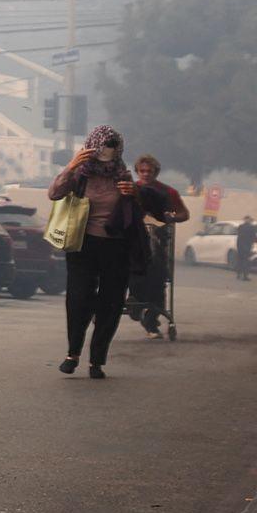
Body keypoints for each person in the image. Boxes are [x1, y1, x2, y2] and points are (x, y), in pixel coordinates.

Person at [47, 126, 174, 379]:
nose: (108, 152)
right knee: (79, 297)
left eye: (113, 148)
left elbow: (139, 209)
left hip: (116, 246)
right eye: (104, 146)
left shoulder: (122, 174)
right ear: (93, 146)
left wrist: (133, 194)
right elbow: (54, 193)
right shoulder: (80, 174)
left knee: (112, 303)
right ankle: (72, 354)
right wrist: (71, 165)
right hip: (82, 243)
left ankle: (97, 360)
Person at [127, 155, 188, 335]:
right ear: (137, 171)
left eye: (149, 171)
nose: (145, 174)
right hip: (134, 242)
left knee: (158, 275)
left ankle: (150, 316)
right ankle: (137, 303)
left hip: (158, 240)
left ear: (156, 172)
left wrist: (172, 217)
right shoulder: (130, 189)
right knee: (136, 267)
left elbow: (184, 214)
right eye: (142, 171)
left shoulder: (168, 192)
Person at [238, 216, 255, 283]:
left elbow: (239, 236)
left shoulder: (240, 226)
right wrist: (252, 245)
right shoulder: (252, 227)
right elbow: (253, 237)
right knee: (246, 261)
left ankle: (238, 274)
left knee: (240, 260)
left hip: (240, 246)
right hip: (247, 246)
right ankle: (245, 276)